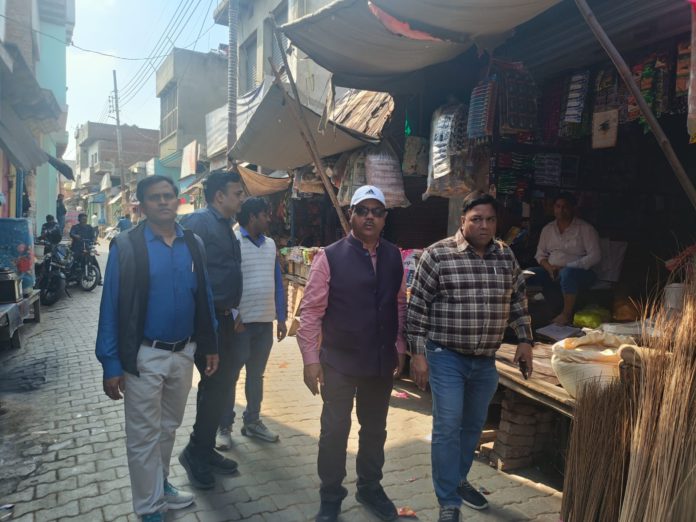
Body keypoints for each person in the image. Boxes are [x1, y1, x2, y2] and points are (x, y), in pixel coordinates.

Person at [95, 175, 219, 522]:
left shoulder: (193, 242)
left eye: (168, 195)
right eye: (154, 197)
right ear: (142, 205)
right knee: (143, 434)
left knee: (168, 426)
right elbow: (111, 306)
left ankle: (160, 486)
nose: (163, 201)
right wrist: (111, 363)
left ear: (178, 200)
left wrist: (210, 344)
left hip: (183, 352)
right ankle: (149, 508)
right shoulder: (127, 246)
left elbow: (204, 296)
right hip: (144, 355)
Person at [407, 191, 534, 522]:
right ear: (463, 220)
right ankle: (448, 500)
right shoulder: (437, 255)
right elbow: (417, 307)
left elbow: (518, 300)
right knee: (448, 425)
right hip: (445, 355)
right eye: (476, 219)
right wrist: (417, 355)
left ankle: (459, 479)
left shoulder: (505, 256)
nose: (484, 225)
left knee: (473, 426)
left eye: (490, 219)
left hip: (485, 359)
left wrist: (525, 340)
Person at [297, 185, 407, 522]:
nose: (369, 217)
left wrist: (399, 346)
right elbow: (311, 311)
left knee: (374, 429)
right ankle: (331, 495)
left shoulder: (394, 256)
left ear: (385, 218)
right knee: (334, 431)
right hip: (339, 361)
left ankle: (370, 487)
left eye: (377, 211)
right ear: (351, 215)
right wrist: (311, 360)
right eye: (362, 210)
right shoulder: (329, 257)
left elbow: (398, 304)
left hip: (379, 361)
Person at [178, 169, 245, 490]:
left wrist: (234, 311)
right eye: (237, 193)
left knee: (220, 386)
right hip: (208, 323)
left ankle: (202, 449)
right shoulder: (198, 223)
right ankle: (195, 453)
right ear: (219, 196)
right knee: (214, 385)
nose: (241, 199)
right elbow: (183, 273)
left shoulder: (226, 226)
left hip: (225, 319)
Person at [216, 197, 287, 449]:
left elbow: (277, 282)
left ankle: (253, 422)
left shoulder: (270, 244)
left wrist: (281, 317)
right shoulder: (233, 241)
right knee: (231, 376)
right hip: (240, 326)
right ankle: (224, 427)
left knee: (256, 375)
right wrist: (234, 315)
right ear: (253, 216)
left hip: (264, 323)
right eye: (265, 215)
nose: (269, 219)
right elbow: (226, 282)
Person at [528, 192, 601, 325]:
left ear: (573, 208)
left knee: (567, 274)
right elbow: (540, 254)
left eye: (565, 207)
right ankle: (523, 313)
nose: (561, 210)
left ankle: (566, 314)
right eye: (558, 206)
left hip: (579, 272)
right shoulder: (548, 229)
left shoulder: (585, 229)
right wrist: (549, 268)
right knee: (528, 274)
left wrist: (567, 267)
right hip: (552, 271)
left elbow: (595, 256)